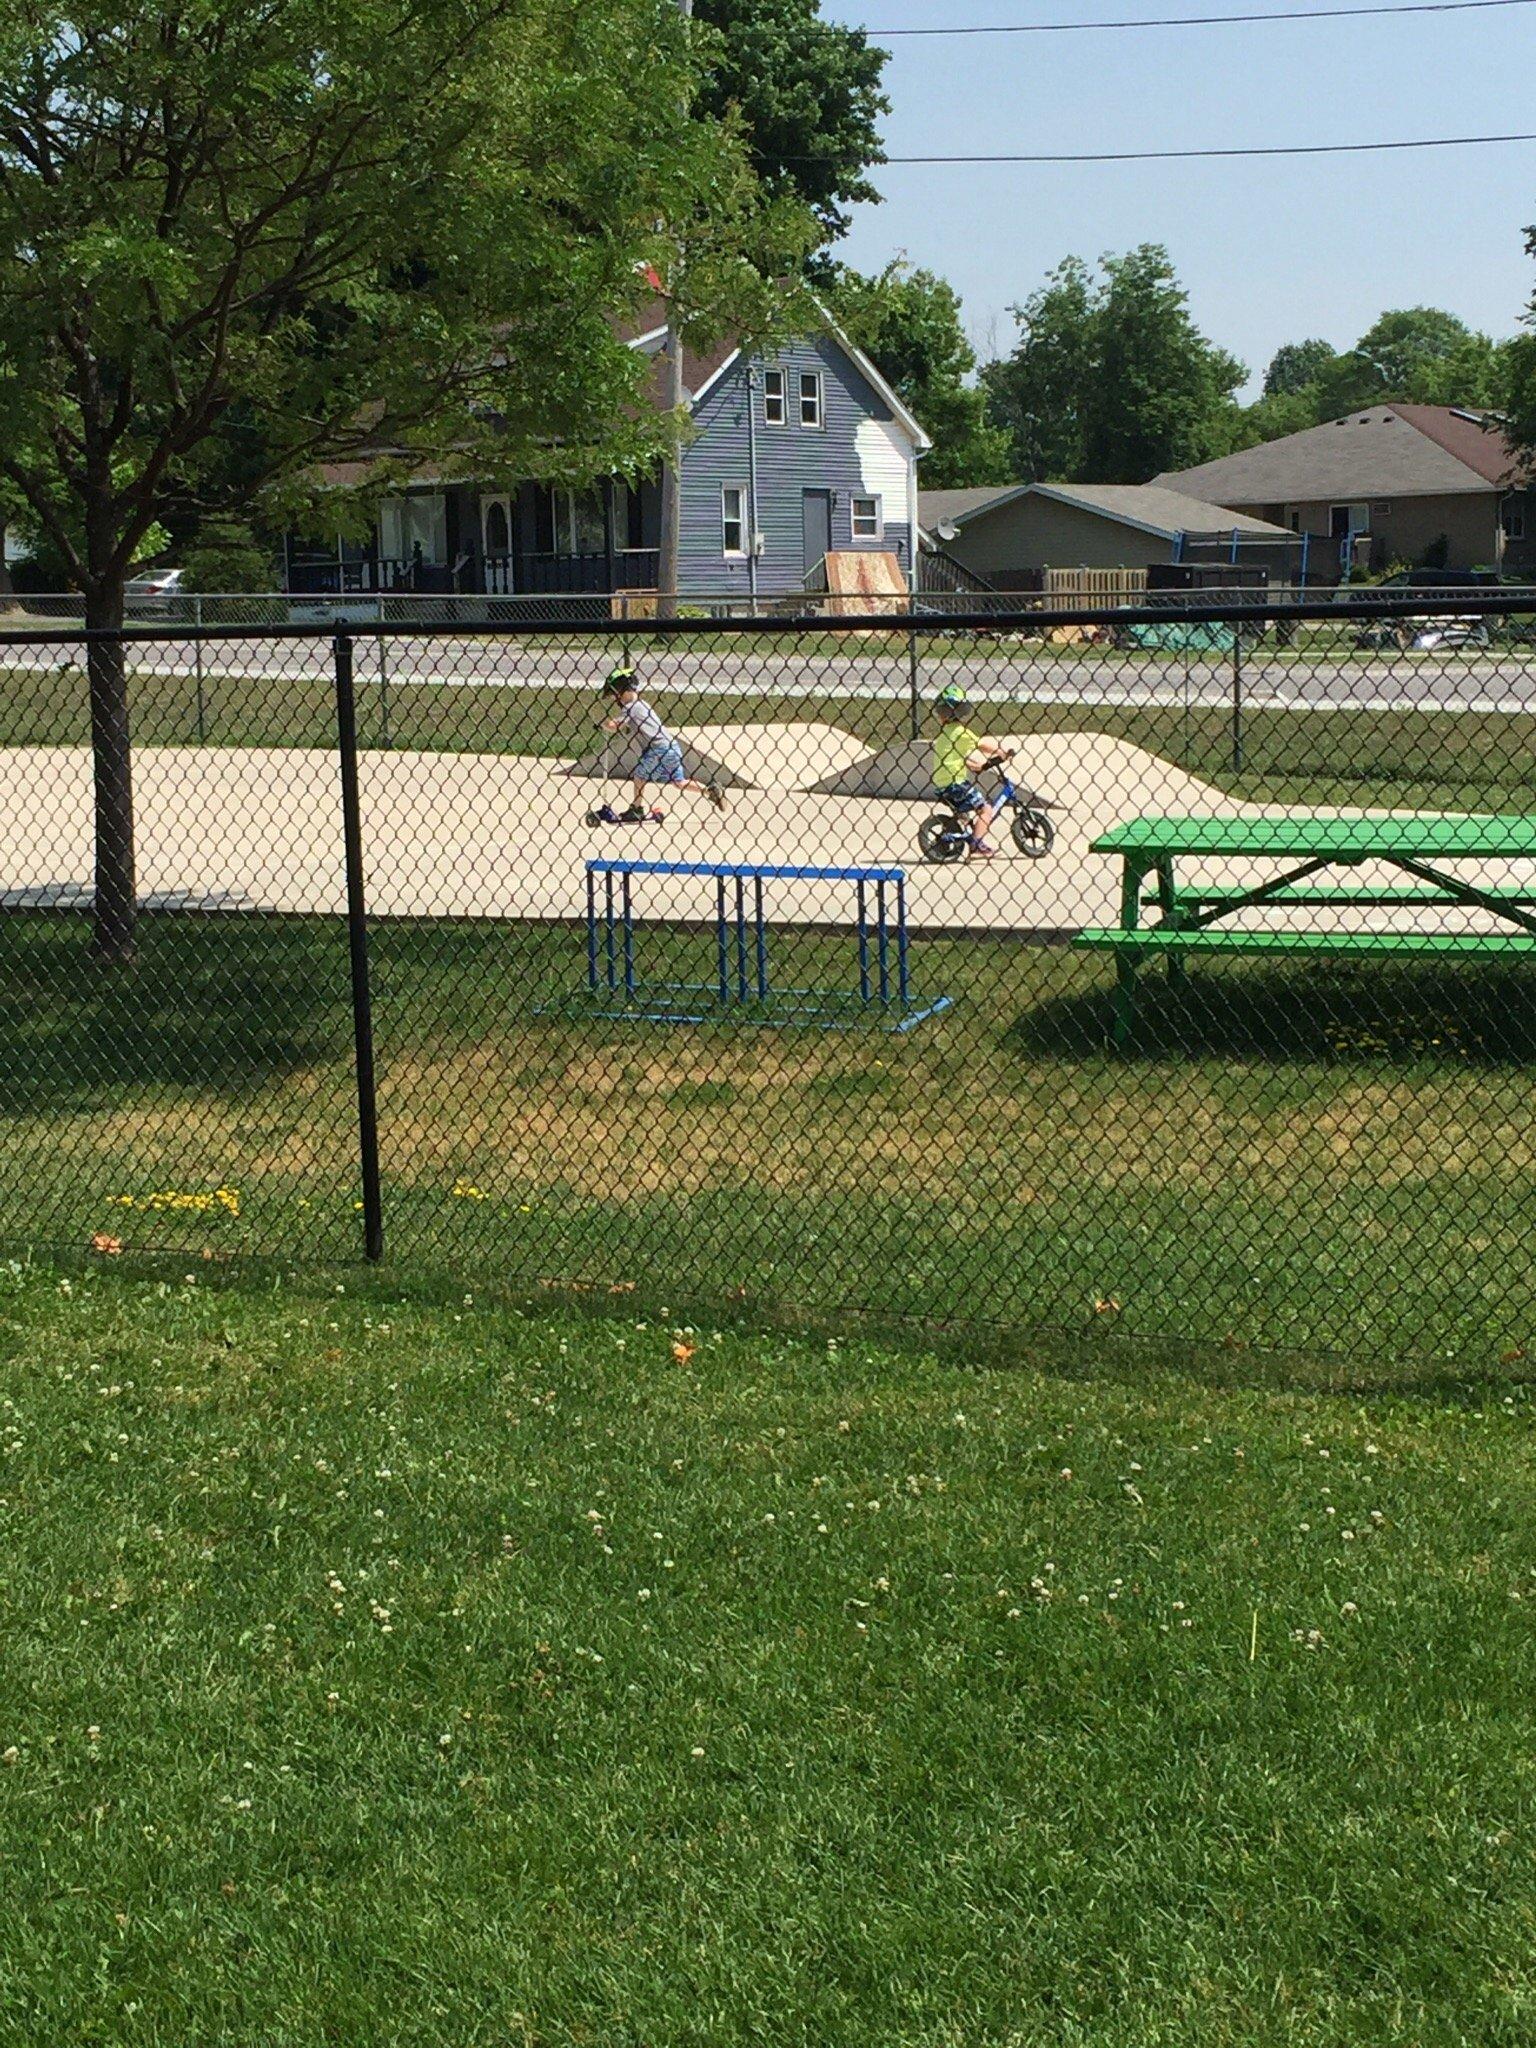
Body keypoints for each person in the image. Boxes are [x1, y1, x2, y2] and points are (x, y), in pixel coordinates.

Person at [598, 666, 727, 819]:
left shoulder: (632, 707)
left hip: (658, 748)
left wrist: (602, 724)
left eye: (614, 695)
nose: (615, 699)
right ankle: (709, 790)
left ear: (623, 691)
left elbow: (614, 726)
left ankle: (637, 809)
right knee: (678, 781)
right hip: (671, 746)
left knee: (640, 775)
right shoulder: (642, 704)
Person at [932, 684, 1011, 858]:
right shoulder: (960, 731)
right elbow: (981, 744)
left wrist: (976, 766)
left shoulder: (945, 734)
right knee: (986, 809)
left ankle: (970, 837)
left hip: (942, 784)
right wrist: (1001, 752)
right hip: (956, 783)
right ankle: (976, 846)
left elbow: (954, 757)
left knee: (965, 815)